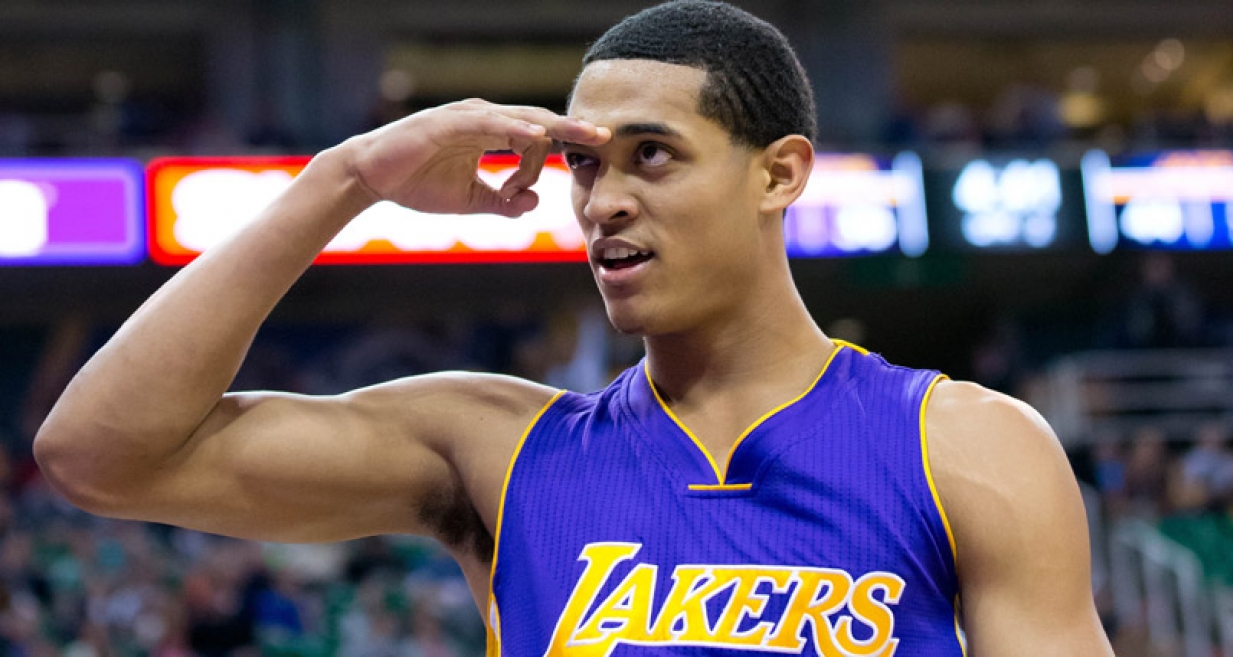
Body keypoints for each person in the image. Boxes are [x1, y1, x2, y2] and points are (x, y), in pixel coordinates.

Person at [33, 1, 1111, 654]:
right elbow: (100, 455)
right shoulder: (496, 450)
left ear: (778, 174)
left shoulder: (965, 445)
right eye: (585, 165)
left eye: (652, 155)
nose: (602, 203)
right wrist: (344, 178)